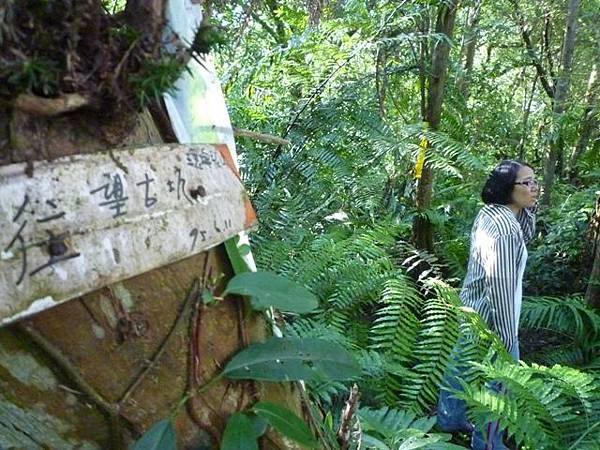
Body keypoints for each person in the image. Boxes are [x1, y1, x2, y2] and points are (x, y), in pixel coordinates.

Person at [437, 160, 538, 450]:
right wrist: (508, 337)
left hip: (472, 306)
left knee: (460, 364)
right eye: (527, 183)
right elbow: (502, 286)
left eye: (535, 181)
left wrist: (528, 205)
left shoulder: (491, 212)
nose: (534, 188)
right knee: (499, 384)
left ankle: (448, 419)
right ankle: (488, 443)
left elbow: (526, 236)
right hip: (494, 318)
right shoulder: (505, 231)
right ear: (509, 188)